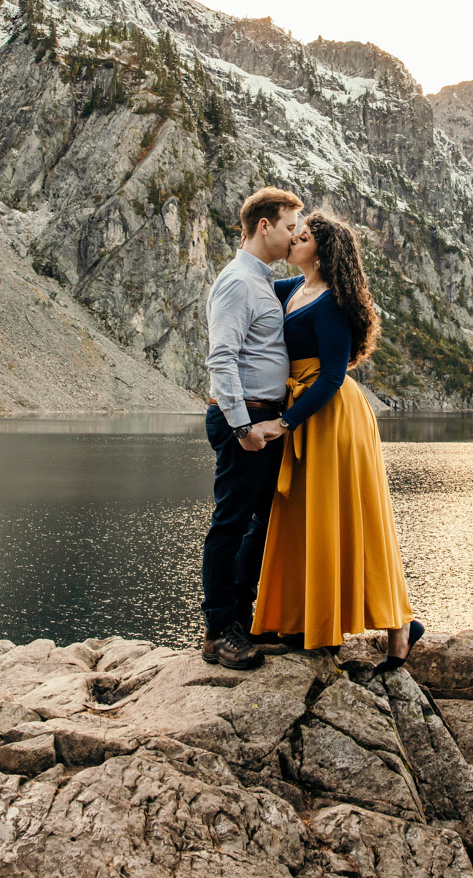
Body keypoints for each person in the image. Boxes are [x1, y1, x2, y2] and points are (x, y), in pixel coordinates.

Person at [252, 211, 423, 669]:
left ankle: (400, 625)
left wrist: (284, 423)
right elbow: (253, 289)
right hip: (306, 413)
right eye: (295, 233)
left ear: (323, 254)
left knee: (353, 515)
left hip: (333, 417)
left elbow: (330, 378)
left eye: (302, 237)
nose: (294, 241)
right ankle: (304, 620)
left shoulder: (333, 304)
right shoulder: (292, 290)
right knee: (305, 516)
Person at [200, 186, 305, 671]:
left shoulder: (261, 279)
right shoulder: (239, 282)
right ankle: (219, 631)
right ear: (264, 225)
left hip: (261, 419)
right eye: (288, 227)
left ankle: (241, 624)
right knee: (230, 525)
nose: (294, 236)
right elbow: (221, 358)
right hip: (244, 420)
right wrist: (244, 428)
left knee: (253, 528)